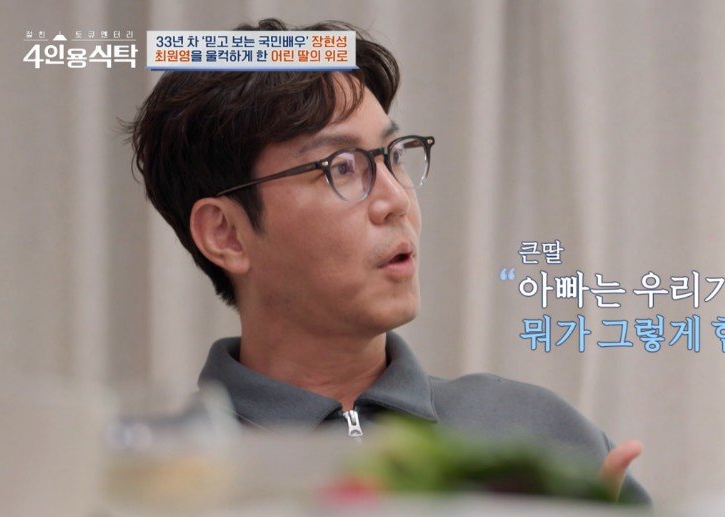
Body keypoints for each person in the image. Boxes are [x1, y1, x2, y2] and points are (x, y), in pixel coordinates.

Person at [127, 17, 650, 504]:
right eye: (342, 167)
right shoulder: (154, 478)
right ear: (226, 235)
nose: (396, 199)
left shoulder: (538, 435)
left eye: (394, 155)